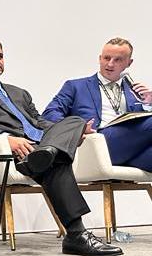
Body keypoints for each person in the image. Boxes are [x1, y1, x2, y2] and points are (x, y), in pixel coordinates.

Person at [0, 37, 123, 256]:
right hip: (13, 154)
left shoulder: (19, 92)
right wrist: (7, 139)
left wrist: (75, 130)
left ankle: (48, 151)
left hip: (39, 147)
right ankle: (76, 235)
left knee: (75, 120)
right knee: (56, 162)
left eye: (0, 56)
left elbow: (40, 122)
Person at [43, 37, 152, 172]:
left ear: (129, 63)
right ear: (100, 58)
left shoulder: (135, 92)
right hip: (95, 144)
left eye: (118, 60)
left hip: (128, 150)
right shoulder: (76, 86)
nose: (110, 64)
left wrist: (148, 104)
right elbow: (49, 114)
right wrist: (79, 129)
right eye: (106, 58)